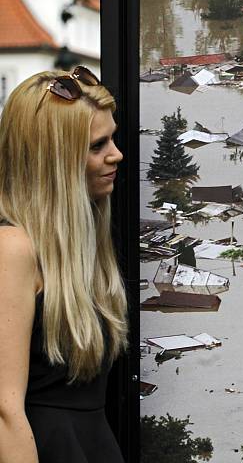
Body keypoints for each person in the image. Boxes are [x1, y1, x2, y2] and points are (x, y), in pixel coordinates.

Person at [0, 68, 128, 462]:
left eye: (113, 138)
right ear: (54, 160)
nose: (116, 154)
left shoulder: (80, 242)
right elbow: (5, 410)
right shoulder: (12, 248)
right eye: (96, 145)